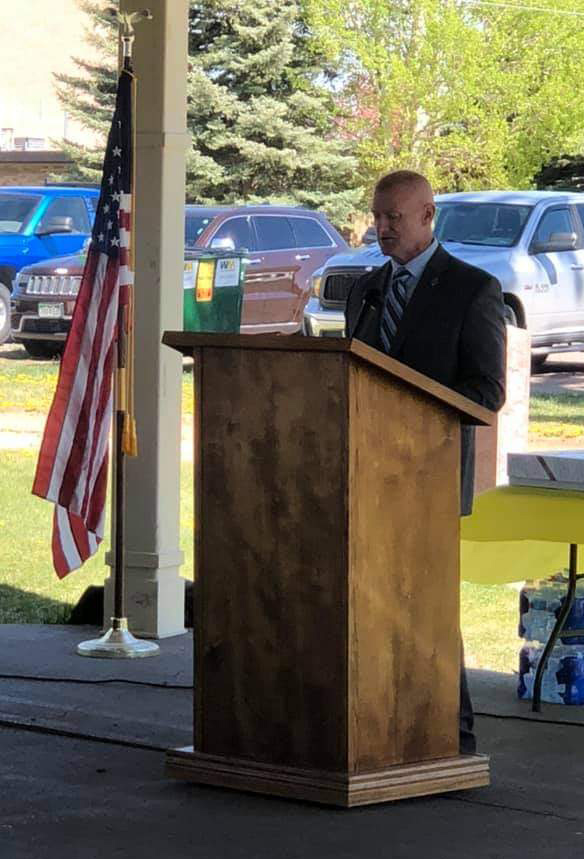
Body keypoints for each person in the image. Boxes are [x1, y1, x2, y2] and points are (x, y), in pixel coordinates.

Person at [345, 169, 506, 754]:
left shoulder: (471, 289)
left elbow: (486, 392)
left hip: (429, 475)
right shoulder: (366, 289)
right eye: (377, 216)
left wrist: (414, 403)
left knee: (425, 605)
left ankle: (450, 731)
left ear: (427, 216)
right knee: (370, 602)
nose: (382, 227)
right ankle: (378, 720)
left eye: (394, 217)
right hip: (362, 469)